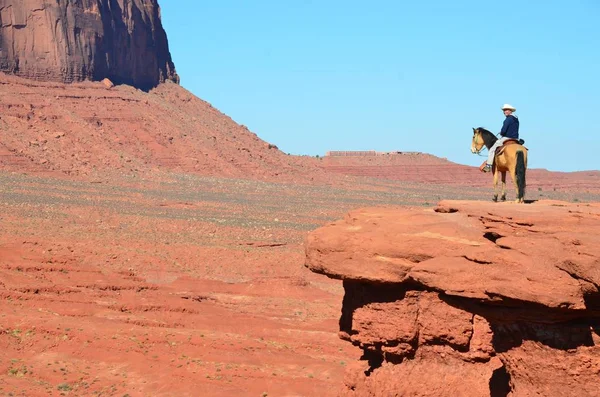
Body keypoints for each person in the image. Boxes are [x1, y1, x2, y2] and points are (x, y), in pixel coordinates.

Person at [481, 104, 519, 172]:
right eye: (504, 110)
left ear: (511, 111)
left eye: (507, 110)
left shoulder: (508, 119)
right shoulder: (516, 119)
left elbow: (504, 130)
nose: (505, 112)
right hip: (516, 139)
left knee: (492, 149)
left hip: (507, 137)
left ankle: (488, 166)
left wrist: (502, 133)